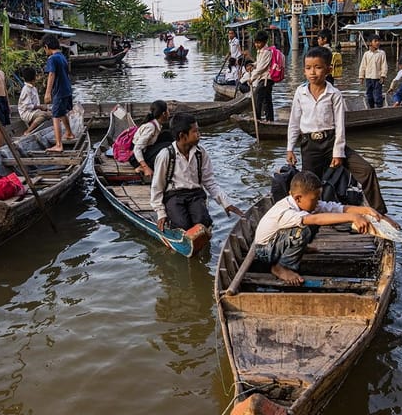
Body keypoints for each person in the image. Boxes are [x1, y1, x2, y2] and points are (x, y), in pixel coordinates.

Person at [287, 46, 389, 214]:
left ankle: (379, 212)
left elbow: (340, 126)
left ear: (329, 70)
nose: (313, 72)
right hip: (309, 145)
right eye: (308, 68)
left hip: (331, 142)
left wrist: (338, 152)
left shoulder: (334, 94)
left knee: (366, 170)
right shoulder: (300, 92)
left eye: (318, 67)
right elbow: (294, 122)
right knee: (307, 186)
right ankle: (304, 216)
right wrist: (290, 148)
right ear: (304, 70)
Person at [254, 171, 386, 285]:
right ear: (298, 198)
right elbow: (316, 219)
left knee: (317, 217)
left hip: (277, 243)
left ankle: (297, 248)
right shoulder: (286, 211)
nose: (318, 202)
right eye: (315, 199)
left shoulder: (305, 204)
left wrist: (366, 210)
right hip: (266, 251)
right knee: (303, 230)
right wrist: (353, 217)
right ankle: (281, 267)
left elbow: (337, 208)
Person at [150, 112, 243, 231]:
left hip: (195, 195)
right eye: (195, 132)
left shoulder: (200, 153)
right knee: (182, 226)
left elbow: (209, 182)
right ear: (182, 135)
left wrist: (226, 203)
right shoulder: (166, 155)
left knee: (203, 223)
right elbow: (157, 186)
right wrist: (160, 213)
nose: (199, 135)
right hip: (174, 195)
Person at [42, 33, 76, 152]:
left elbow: (51, 74)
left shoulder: (52, 58)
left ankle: (58, 144)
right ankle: (69, 133)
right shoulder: (62, 56)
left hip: (59, 91)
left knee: (55, 116)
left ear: (46, 47)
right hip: (67, 89)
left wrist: (47, 92)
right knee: (62, 113)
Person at [131, 99, 174, 177]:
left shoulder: (157, 124)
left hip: (145, 150)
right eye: (168, 111)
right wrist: (146, 168)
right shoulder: (151, 127)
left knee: (167, 135)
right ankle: (140, 166)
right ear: (164, 113)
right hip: (135, 158)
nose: (169, 113)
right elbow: (137, 149)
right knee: (169, 145)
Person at [249, 30, 276, 122]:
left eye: (258, 43)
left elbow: (261, 68)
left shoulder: (266, 52)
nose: (256, 45)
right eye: (255, 42)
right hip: (264, 78)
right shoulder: (260, 51)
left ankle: (257, 119)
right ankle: (270, 120)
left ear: (264, 42)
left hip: (266, 79)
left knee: (258, 97)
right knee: (266, 100)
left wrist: (252, 78)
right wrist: (253, 65)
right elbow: (259, 63)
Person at [17, 66, 52, 136]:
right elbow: (27, 106)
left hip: (34, 111)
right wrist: (40, 107)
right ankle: (28, 131)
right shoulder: (26, 90)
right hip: (26, 113)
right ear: (34, 78)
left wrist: (41, 108)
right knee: (43, 115)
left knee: (52, 113)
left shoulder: (33, 88)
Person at [358, 35, 387, 108]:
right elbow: (363, 66)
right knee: (369, 96)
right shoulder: (366, 54)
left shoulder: (381, 53)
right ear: (370, 43)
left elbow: (384, 65)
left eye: (378, 41)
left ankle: (380, 108)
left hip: (377, 78)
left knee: (377, 96)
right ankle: (371, 108)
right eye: (375, 41)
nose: (377, 43)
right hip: (368, 78)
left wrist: (383, 76)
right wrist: (361, 77)